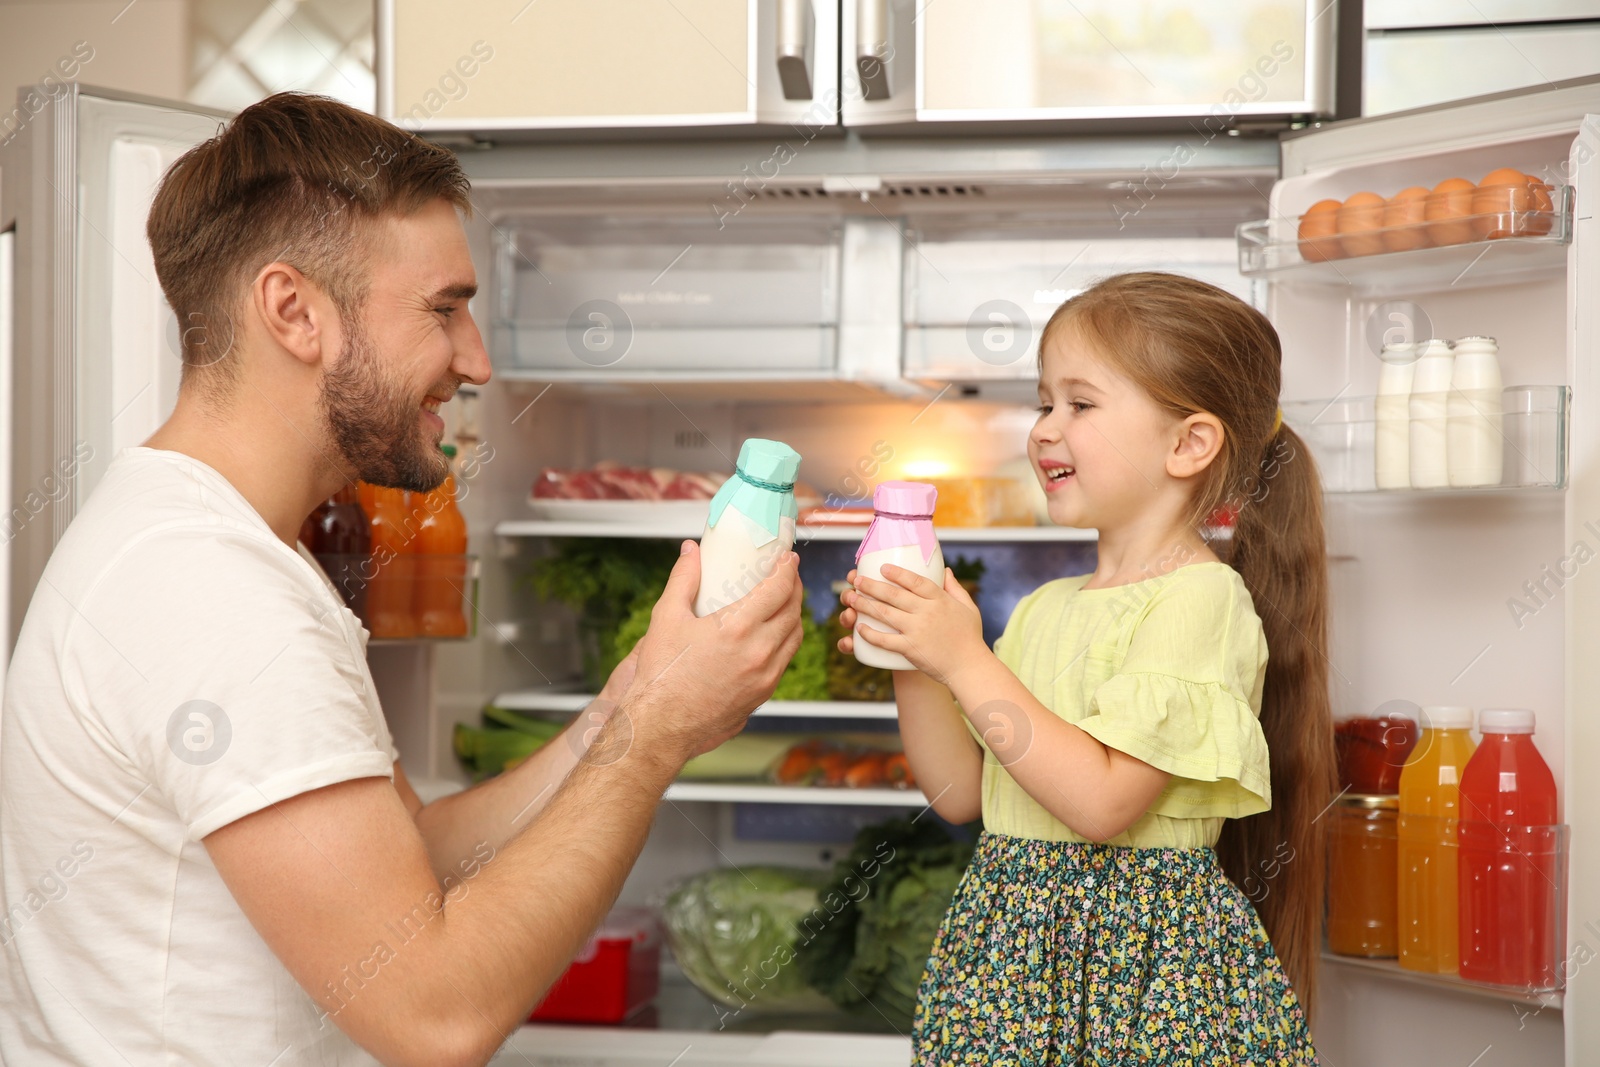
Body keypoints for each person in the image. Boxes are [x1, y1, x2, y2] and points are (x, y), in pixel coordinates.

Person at [0, 93, 804, 1067]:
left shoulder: (231, 548)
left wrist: (626, 705)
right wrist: (651, 741)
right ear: (294, 311)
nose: (478, 361)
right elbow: (434, 1016)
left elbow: (405, 854)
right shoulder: (211, 593)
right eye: (443, 309)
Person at [839, 272, 1334, 1064]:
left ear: (1189, 443)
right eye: (1044, 402)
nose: (1044, 428)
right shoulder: (1044, 606)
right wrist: (915, 657)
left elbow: (1102, 802)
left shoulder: (1201, 601)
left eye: (1080, 403)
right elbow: (960, 793)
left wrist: (962, 655)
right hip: (1010, 968)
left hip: (1140, 978)